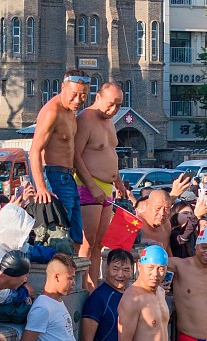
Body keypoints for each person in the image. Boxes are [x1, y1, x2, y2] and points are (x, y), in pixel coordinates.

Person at [74, 82, 129, 289]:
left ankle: (93, 284)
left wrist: (119, 182)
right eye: (111, 104)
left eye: (118, 105)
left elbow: (109, 154)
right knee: (87, 242)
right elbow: (76, 157)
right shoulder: (86, 118)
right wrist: (92, 185)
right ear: (98, 97)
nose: (114, 109)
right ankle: (83, 285)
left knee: (99, 243)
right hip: (88, 185)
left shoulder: (110, 121)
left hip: (108, 187)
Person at [29, 70, 90, 248]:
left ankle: (74, 273)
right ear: (63, 88)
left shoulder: (71, 111)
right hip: (54, 176)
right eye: (73, 95)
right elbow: (34, 151)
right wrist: (41, 186)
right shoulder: (52, 112)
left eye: (83, 95)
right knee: (60, 236)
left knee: (76, 234)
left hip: (69, 177)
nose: (78, 100)